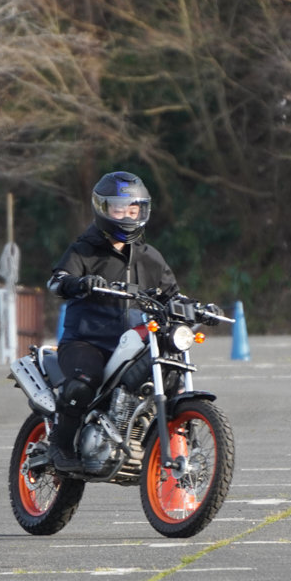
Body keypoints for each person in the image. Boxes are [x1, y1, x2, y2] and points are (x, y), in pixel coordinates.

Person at [45, 171, 179, 475]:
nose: (128, 215)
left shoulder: (150, 257)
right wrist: (80, 284)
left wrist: (192, 307)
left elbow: (173, 294)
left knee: (172, 376)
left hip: (132, 345)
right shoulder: (83, 250)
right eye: (120, 208)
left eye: (135, 209)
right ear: (104, 209)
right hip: (86, 342)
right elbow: (57, 282)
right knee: (82, 384)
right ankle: (60, 445)